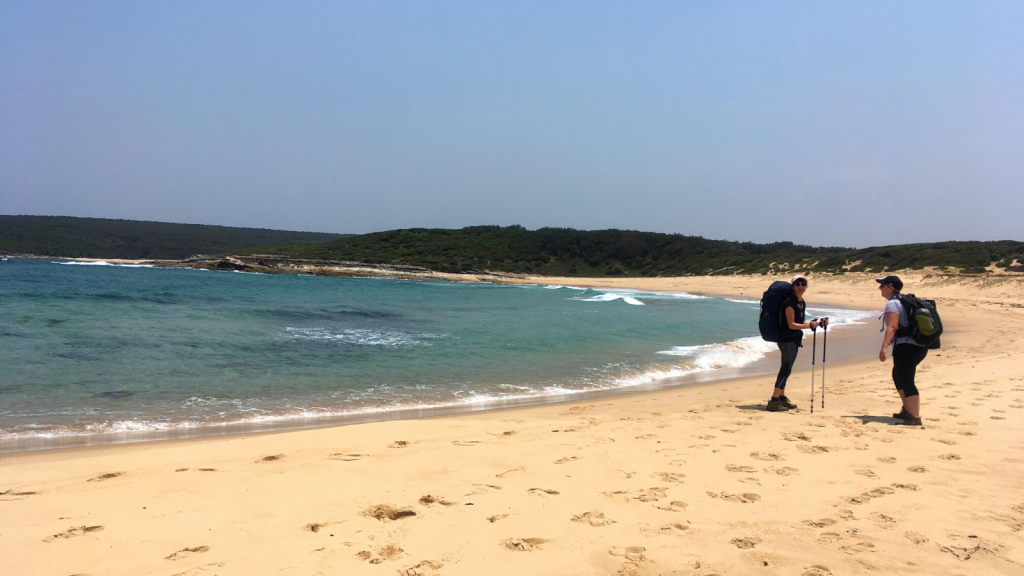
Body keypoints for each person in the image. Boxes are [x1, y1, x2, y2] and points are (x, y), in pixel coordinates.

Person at [767, 274, 827, 412]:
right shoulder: (789, 303)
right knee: (786, 369)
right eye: (798, 284)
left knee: (786, 368)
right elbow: (791, 325)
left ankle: (781, 398)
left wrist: (817, 323)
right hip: (786, 339)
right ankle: (774, 401)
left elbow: (802, 322)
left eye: (803, 284)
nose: (801, 286)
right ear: (793, 287)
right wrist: (810, 326)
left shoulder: (801, 302)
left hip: (794, 339)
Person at [877, 275, 926, 426]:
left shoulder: (893, 304)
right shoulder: (907, 301)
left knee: (906, 379)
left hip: (906, 347)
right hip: (919, 345)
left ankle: (914, 417)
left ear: (890, 288)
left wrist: (884, 347)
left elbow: (892, 327)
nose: (880, 288)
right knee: (898, 375)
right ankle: (908, 410)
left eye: (882, 285)